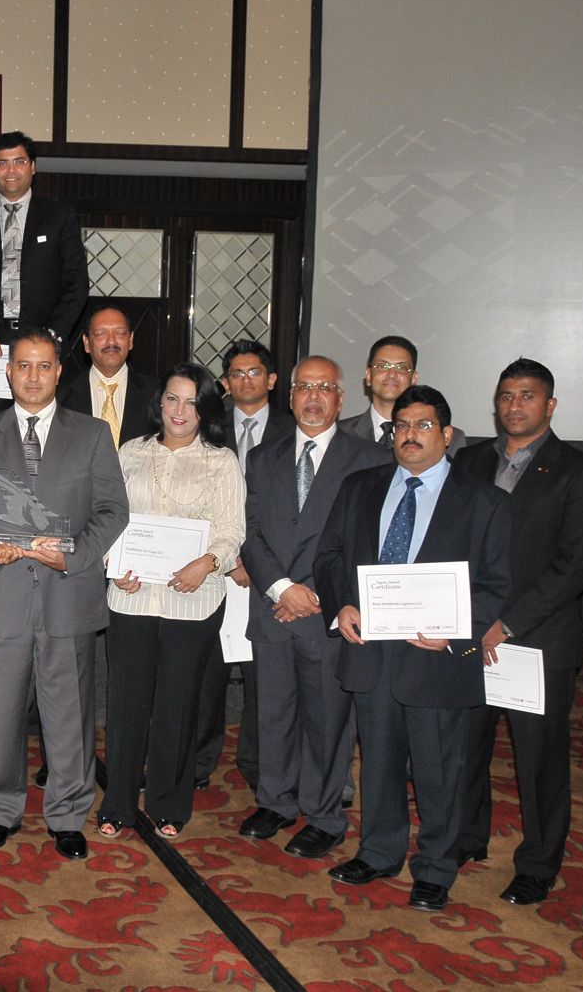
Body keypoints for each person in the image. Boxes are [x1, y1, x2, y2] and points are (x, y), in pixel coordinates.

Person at [316, 384, 511, 912]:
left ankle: (435, 868)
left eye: (423, 426)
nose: (410, 435)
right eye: (401, 426)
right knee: (377, 763)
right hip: (372, 653)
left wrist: (457, 629)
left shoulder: (485, 501)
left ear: (447, 435)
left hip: (436, 658)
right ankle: (378, 852)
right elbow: (330, 555)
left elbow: (496, 582)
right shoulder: (361, 487)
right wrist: (342, 606)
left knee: (438, 771)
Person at [0, 329, 129, 860]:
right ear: (8, 371)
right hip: (0, 595)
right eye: (23, 365)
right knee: (1, 718)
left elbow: (113, 510)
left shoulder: (92, 434)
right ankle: (0, 812)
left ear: (59, 371)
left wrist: (71, 554)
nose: (32, 376)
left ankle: (67, 816)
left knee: (69, 717)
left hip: (68, 594)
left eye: (44, 366)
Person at [454, 359, 583, 905]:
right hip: (469, 634)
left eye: (527, 395)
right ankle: (467, 838)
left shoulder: (580, 471)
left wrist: (508, 623)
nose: (514, 405)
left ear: (550, 405)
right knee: (465, 746)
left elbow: (575, 565)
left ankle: (538, 863)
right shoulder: (469, 461)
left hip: (537, 641)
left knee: (540, 760)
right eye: (505, 395)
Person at [235, 356, 384, 858]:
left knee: (327, 720)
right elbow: (250, 531)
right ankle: (275, 801)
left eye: (324, 388)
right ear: (290, 395)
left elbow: (366, 541)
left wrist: (316, 594)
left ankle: (324, 815)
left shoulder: (369, 459)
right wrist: (281, 588)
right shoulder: (263, 457)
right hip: (273, 610)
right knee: (273, 714)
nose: (313, 397)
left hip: (328, 613)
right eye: (304, 387)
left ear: (341, 398)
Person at [96, 363, 246, 840]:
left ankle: (169, 804)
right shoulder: (129, 452)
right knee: (126, 706)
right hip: (132, 598)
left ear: (206, 410)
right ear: (158, 403)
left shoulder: (222, 461)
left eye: (192, 401)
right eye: (172, 399)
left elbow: (232, 532)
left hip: (195, 601)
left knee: (178, 707)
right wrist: (115, 565)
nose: (180, 410)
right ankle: (117, 803)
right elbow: (107, 518)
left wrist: (208, 562)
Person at [193, 339, 296, 792]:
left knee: (264, 680)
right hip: (215, 569)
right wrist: (230, 558)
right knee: (207, 675)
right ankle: (198, 763)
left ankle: (257, 765)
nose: (245, 380)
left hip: (271, 574)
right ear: (226, 382)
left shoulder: (294, 429)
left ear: (271, 380)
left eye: (254, 372)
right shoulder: (207, 427)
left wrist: (258, 564)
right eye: (236, 373)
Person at [0, 131, 88, 371]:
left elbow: (76, 283)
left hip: (43, 345)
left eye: (19, 161)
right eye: (2, 163)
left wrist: (51, 334)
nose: (11, 170)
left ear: (33, 167)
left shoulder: (59, 217)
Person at [341, 335, 466, 455]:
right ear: (368, 376)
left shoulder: (447, 437)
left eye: (401, 368)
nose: (391, 374)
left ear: (414, 379)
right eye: (382, 366)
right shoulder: (340, 432)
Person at [58, 304, 153, 447]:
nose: (111, 342)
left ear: (131, 340)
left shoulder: (157, 394)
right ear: (86, 343)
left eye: (120, 333)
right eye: (100, 334)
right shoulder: (60, 395)